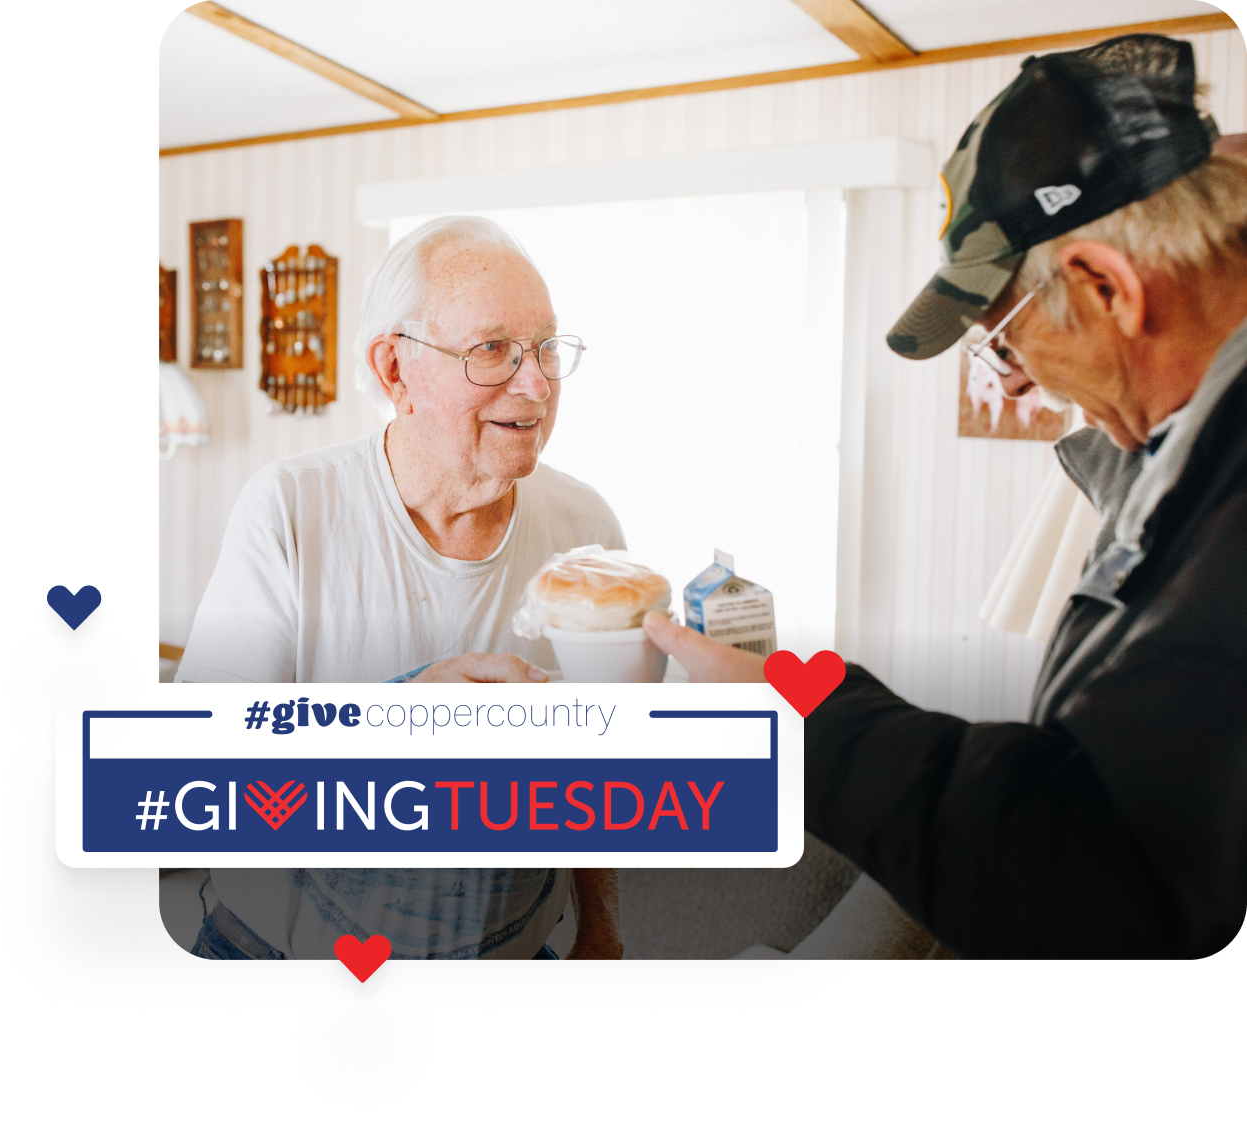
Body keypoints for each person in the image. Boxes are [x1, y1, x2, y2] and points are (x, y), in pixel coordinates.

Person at [643, 34, 1247, 958]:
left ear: (1102, 286)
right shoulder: (1194, 449)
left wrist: (796, 723)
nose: (1010, 384)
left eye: (1001, 338)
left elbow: (1094, 878)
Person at [177, 216, 623, 960]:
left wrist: (603, 930)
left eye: (546, 346)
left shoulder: (587, 528)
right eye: (492, 350)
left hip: (513, 954)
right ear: (394, 370)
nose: (537, 383)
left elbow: (599, 771)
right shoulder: (290, 507)